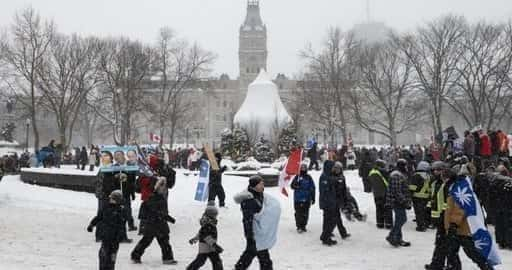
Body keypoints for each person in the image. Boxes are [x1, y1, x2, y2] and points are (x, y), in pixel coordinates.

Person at [444, 165, 496, 270]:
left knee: (470, 251)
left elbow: (461, 206)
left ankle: (486, 267)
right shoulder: (458, 185)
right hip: (458, 227)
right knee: (452, 250)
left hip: (461, 228)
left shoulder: (459, 187)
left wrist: (454, 222)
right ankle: (453, 267)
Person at [233, 175, 280, 270]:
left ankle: (239, 267)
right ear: (254, 186)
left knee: (254, 255)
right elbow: (247, 219)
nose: (263, 186)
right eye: (261, 184)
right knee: (259, 257)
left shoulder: (260, 195)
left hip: (259, 233)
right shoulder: (248, 200)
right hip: (254, 233)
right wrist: (249, 235)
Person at [131, 177, 177, 265]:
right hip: (153, 224)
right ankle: (135, 255)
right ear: (158, 188)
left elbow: (162, 213)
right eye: (162, 188)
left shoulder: (160, 199)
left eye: (164, 188)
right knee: (147, 241)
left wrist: (168, 218)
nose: (164, 190)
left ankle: (168, 258)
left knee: (164, 242)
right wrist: (166, 218)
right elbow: (147, 212)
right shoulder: (152, 199)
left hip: (159, 224)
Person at [425, 161, 460, 270]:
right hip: (439, 219)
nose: (436, 172)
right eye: (434, 170)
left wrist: (446, 216)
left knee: (450, 245)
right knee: (440, 243)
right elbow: (433, 199)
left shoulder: (449, 183)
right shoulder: (435, 183)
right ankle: (437, 264)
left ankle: (453, 266)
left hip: (447, 219)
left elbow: (450, 203)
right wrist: (428, 210)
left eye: (439, 170)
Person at [87, 190, 126, 270]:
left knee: (111, 257)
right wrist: (92, 224)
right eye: (111, 198)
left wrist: (120, 236)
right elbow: (99, 217)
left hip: (114, 239)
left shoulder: (120, 211)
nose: (111, 200)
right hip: (106, 236)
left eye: (113, 199)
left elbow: (121, 225)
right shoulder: (106, 207)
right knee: (103, 255)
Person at [187, 202, 224, 270]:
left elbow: (200, 233)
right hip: (206, 247)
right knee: (201, 261)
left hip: (211, 247)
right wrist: (215, 245)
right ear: (211, 215)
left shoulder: (209, 223)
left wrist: (194, 239)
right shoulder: (208, 224)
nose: (216, 216)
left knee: (216, 261)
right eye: (215, 215)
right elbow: (206, 237)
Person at [385, 158, 412, 247]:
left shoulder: (399, 174)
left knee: (399, 219)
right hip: (397, 201)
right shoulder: (396, 175)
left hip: (399, 201)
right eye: (405, 165)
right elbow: (396, 191)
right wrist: (404, 202)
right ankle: (392, 236)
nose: (406, 167)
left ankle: (398, 238)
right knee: (402, 219)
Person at [290, 163, 315, 233]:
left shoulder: (309, 177)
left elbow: (312, 188)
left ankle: (303, 226)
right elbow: (292, 186)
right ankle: (299, 226)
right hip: (298, 198)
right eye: (302, 167)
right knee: (298, 213)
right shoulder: (297, 177)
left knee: (305, 213)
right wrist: (296, 185)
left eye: (304, 168)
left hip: (307, 198)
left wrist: (313, 197)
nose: (303, 169)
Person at [368, 159, 393, 229]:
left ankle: (380, 223)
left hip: (376, 193)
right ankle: (388, 224)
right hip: (384, 192)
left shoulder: (371, 172)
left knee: (379, 208)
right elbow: (388, 179)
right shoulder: (382, 171)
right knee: (387, 208)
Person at [409, 161, 432, 232]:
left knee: (419, 212)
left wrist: (409, 196)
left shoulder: (416, 176)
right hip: (427, 197)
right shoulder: (429, 176)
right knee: (425, 212)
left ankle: (421, 226)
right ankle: (426, 224)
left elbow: (412, 188)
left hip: (417, 198)